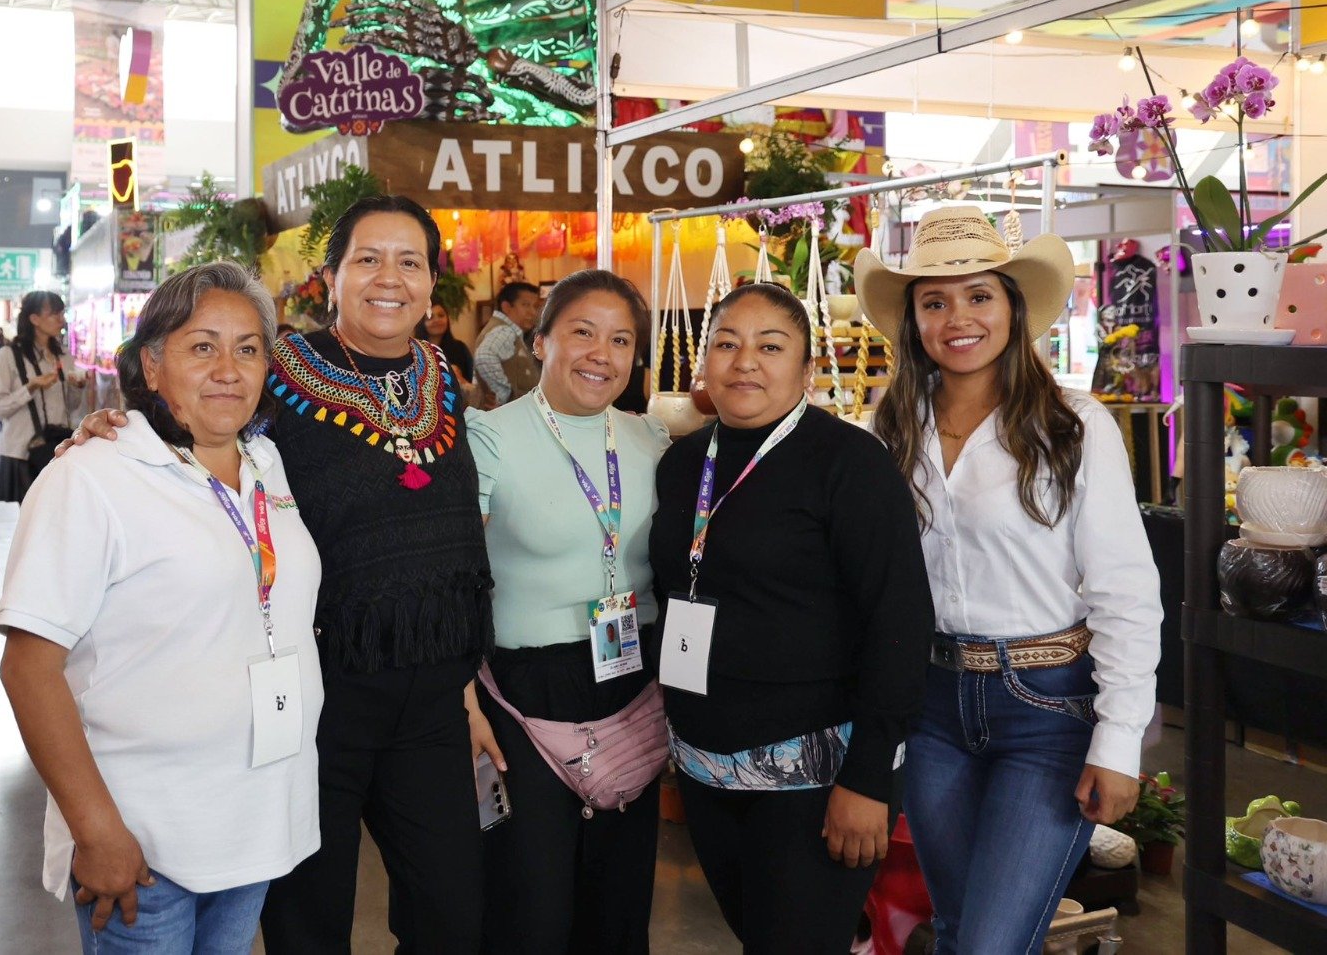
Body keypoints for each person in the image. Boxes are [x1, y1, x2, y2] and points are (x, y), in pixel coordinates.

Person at [66, 196, 493, 954]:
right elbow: (191, 427)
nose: (388, 278)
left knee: (455, 916)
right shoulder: (282, 370)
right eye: (367, 259)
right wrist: (110, 422)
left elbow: (448, 546)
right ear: (330, 276)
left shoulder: (439, 374)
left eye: (410, 262)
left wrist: (465, 689)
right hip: (312, 702)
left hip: (428, 702)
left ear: (433, 282)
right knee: (308, 927)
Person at [857, 206, 1161, 955]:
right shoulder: (887, 426)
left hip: (1048, 706)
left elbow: (1124, 589)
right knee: (960, 930)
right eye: (935, 301)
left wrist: (1120, 741)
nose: (957, 317)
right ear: (914, 320)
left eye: (978, 295)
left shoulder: (1073, 425)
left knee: (991, 942)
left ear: (1013, 306)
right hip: (929, 708)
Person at [0, 261, 323, 954]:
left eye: (248, 348)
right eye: (202, 346)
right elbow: (29, 669)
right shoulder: (91, 475)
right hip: (144, 842)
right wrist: (97, 830)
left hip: (254, 822)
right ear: (151, 363)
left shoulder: (267, 464)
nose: (228, 369)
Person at [648, 283, 934, 954]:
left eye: (770, 346)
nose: (745, 360)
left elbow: (899, 621)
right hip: (705, 769)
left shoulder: (850, 462)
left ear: (806, 370)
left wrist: (868, 775)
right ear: (705, 363)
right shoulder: (685, 461)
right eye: (727, 343)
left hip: (815, 777)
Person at [463, 268, 671, 954]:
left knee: (617, 908)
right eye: (581, 332)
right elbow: (452, 578)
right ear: (541, 338)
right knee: (531, 908)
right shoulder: (489, 437)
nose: (600, 354)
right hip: (522, 698)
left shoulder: (652, 440)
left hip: (631, 685)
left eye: (620, 339)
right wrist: (461, 696)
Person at [0, 291, 86, 504]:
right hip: (23, 451)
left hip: (59, 446)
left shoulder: (63, 355)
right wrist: (31, 386)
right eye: (54, 314)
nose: (61, 320)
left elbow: (71, 406)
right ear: (34, 319)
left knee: (62, 514)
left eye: (62, 313)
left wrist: (77, 388)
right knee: (35, 520)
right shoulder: (8, 356)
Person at [475, 281, 542, 406]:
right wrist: (506, 396)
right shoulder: (504, 331)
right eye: (526, 305)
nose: (532, 312)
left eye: (535, 306)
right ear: (506, 307)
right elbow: (484, 357)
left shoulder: (502, 329)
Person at [418, 301, 475, 383]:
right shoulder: (415, 350)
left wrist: (458, 378)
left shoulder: (460, 348)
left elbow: (472, 384)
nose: (437, 320)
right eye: (430, 317)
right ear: (421, 323)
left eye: (441, 315)